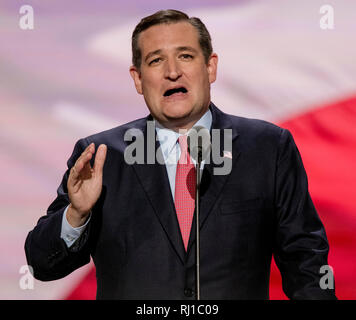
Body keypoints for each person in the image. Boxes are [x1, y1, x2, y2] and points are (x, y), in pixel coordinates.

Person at [25, 9, 336, 300]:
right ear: (137, 78)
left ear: (210, 67)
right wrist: (76, 216)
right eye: (156, 61)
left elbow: (305, 262)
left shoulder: (267, 147)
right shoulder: (101, 157)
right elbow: (42, 263)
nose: (172, 72)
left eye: (185, 56)